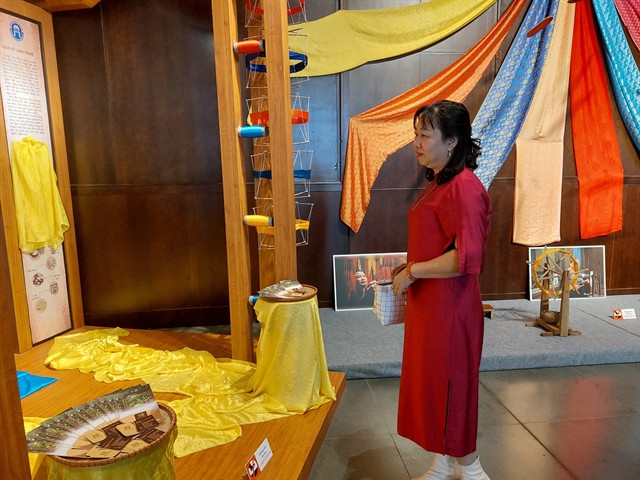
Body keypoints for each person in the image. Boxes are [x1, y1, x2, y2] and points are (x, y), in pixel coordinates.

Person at [392, 100, 492, 480]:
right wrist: (410, 270)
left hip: (451, 309)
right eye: (415, 134)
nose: (416, 143)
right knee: (435, 386)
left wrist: (414, 271)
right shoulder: (440, 181)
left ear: (451, 141)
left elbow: (467, 258)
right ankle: (444, 461)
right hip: (431, 306)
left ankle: (470, 466)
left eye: (424, 135)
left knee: (454, 387)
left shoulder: (463, 188)